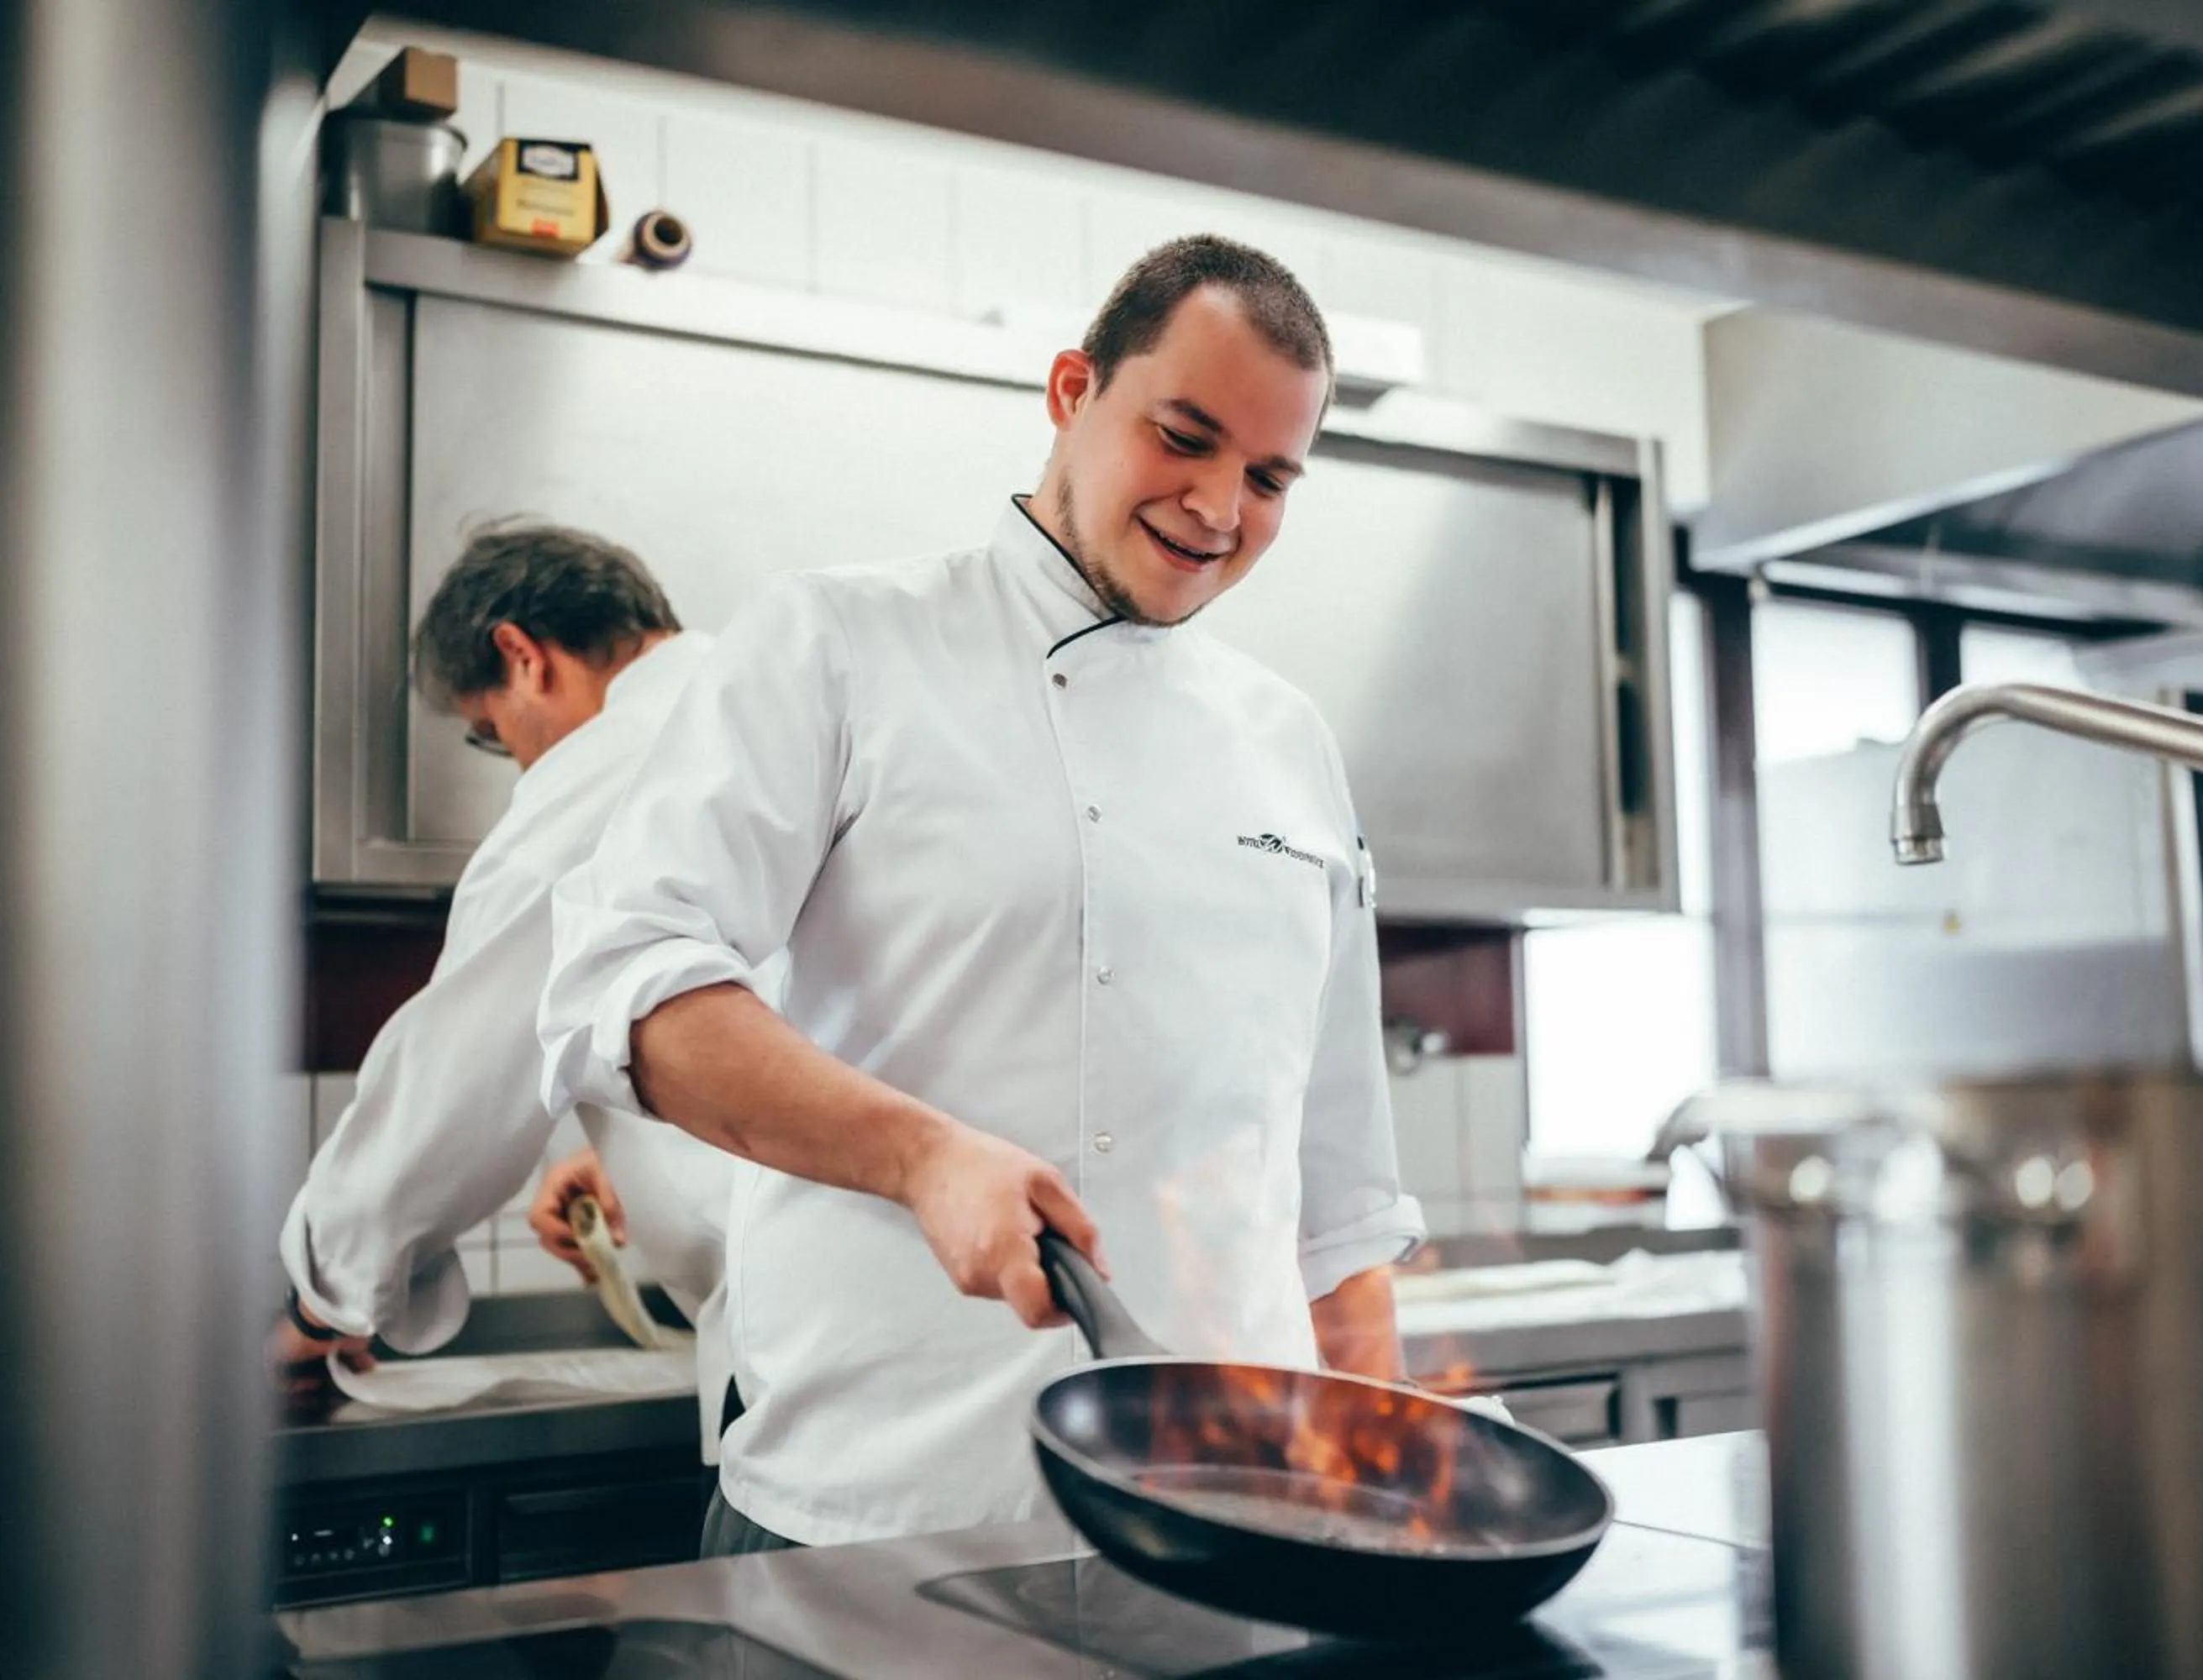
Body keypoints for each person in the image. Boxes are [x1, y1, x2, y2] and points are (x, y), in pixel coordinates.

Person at [539, 235, 1427, 1555]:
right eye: (1183, 436)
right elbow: (628, 989)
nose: (1219, 505)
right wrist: (922, 1155)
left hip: (1228, 1524)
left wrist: (1388, 1500)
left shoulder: (1289, 741)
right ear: (1072, 390)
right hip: (875, 1519)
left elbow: (1339, 1199)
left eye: (1270, 476)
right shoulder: (840, 644)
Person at [275, 523, 745, 1458]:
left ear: (523, 657)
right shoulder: (766, 700)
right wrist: (625, 1150)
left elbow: (450, 1087)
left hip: (817, 1375)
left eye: (495, 737)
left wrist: (320, 1303)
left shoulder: (617, 764)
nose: (524, 767)